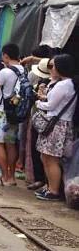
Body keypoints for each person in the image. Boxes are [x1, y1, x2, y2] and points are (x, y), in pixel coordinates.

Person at [34, 54, 78, 201]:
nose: (51, 69)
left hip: (56, 125)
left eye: (52, 66)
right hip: (60, 124)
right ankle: (50, 188)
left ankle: (53, 191)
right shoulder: (68, 83)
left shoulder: (63, 85)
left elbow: (51, 105)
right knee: (46, 157)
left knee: (50, 159)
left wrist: (38, 103)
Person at [0, 43, 24, 186]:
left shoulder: (5, 72)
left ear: (6, 56)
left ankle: (4, 177)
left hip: (1, 112)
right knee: (10, 144)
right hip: (14, 112)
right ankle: (12, 177)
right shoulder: (23, 70)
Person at [26, 58, 52, 190]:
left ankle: (43, 180)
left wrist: (38, 99)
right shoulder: (45, 83)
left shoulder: (50, 85)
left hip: (44, 121)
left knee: (42, 152)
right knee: (37, 149)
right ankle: (39, 179)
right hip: (37, 119)